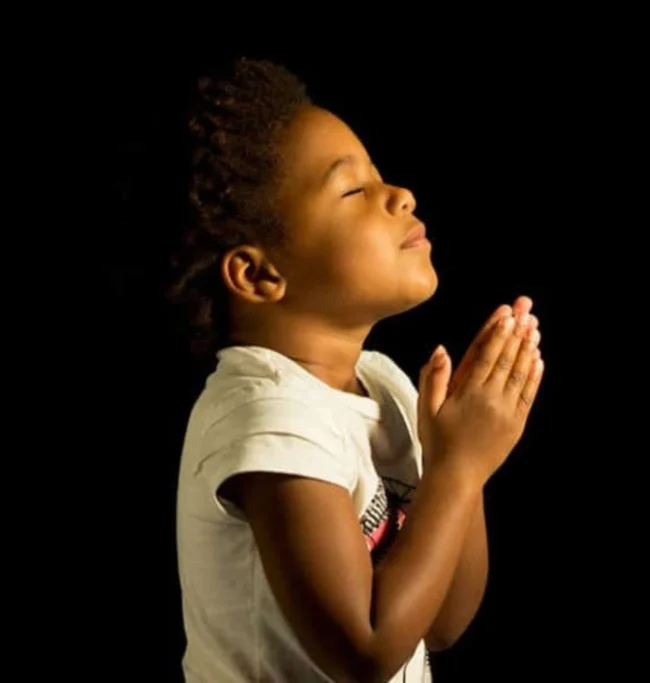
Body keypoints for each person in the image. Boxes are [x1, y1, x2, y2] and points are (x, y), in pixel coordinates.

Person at [166, 57, 545, 683]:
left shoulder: (383, 382)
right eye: (353, 190)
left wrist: (463, 462)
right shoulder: (266, 414)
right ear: (259, 275)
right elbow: (366, 650)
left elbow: (441, 623)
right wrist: (457, 466)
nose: (401, 195)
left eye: (380, 177)